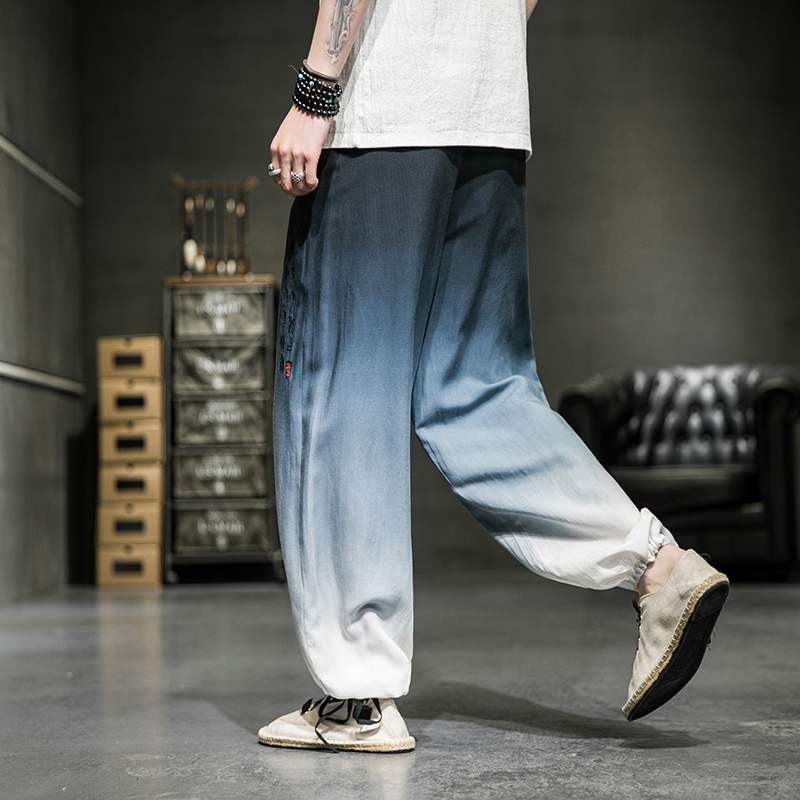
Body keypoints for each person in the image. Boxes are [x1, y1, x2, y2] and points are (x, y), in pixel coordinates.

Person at [258, 0, 729, 753]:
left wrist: (317, 91)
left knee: (343, 391)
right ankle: (657, 565)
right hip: (491, 117)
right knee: (477, 393)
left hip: (384, 118)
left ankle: (357, 697)